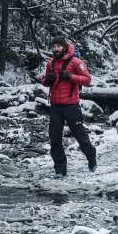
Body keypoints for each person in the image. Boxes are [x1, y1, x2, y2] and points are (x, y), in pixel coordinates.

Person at [40, 36, 97, 176]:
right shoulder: (50, 63)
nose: (55, 49)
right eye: (53, 47)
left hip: (72, 106)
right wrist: (47, 80)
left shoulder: (76, 62)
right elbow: (44, 81)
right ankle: (60, 170)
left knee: (80, 136)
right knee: (54, 139)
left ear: (64, 47)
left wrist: (71, 77)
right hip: (55, 106)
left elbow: (88, 80)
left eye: (58, 46)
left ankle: (91, 156)